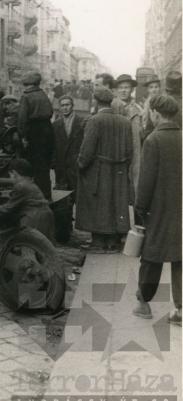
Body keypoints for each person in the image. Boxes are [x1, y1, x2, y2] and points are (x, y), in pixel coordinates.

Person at [133, 95, 182, 325]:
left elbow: (146, 182)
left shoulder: (153, 140)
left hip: (158, 211)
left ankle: (143, 304)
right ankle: (181, 310)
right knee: (180, 258)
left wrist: (141, 209)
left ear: (155, 113)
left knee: (151, 257)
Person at [76, 87, 132, 254]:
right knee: (116, 203)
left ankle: (99, 242)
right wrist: (122, 166)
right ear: (111, 102)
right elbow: (130, 151)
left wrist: (80, 165)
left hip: (99, 170)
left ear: (95, 101)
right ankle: (113, 242)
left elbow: (87, 151)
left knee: (98, 203)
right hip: (119, 169)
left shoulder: (95, 120)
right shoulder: (125, 121)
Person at [0, 158, 55, 244]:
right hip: (46, 218)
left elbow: (8, 208)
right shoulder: (29, 183)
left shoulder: (20, 186)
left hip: (35, 219)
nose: (11, 178)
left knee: (28, 249)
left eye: (10, 175)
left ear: (14, 173)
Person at [17, 71, 54, 200]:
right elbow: (51, 111)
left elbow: (22, 118)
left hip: (35, 130)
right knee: (44, 164)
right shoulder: (43, 94)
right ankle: (47, 194)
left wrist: (22, 135)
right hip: (48, 130)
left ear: (27, 85)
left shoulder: (27, 97)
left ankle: (39, 196)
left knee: (36, 164)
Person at [111, 74, 143, 200]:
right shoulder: (112, 107)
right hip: (116, 150)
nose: (123, 90)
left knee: (136, 178)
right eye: (120, 88)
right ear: (117, 90)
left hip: (135, 151)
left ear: (132, 90)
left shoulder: (137, 109)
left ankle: (137, 213)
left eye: (126, 88)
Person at [51, 95, 84, 201]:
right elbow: (54, 146)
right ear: (59, 108)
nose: (65, 108)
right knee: (63, 200)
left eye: (67, 105)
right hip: (61, 168)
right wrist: (55, 163)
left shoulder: (82, 122)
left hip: (76, 167)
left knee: (79, 198)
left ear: (72, 106)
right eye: (62, 105)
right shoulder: (56, 125)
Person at [142, 74, 161, 139]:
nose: (154, 90)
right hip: (148, 134)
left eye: (156, 87)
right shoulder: (146, 103)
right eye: (151, 87)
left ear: (159, 88)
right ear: (148, 89)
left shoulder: (163, 101)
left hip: (159, 134)